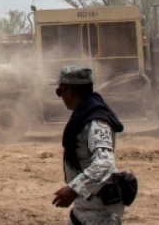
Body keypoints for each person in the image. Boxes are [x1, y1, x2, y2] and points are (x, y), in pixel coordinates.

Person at [51, 65, 125, 225]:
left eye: (60, 92)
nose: (60, 97)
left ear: (69, 91)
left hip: (101, 213)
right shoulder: (83, 116)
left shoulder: (96, 122)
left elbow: (105, 163)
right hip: (85, 208)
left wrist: (74, 188)